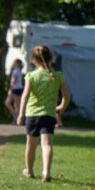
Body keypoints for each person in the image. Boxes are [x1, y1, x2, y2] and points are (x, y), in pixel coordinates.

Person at [16, 44, 71, 182]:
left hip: (32, 114)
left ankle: (29, 171)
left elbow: (25, 96)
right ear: (51, 58)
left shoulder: (31, 76)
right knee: (47, 144)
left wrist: (21, 114)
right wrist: (61, 107)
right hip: (49, 115)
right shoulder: (57, 76)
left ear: (34, 60)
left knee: (31, 145)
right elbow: (67, 95)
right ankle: (46, 172)